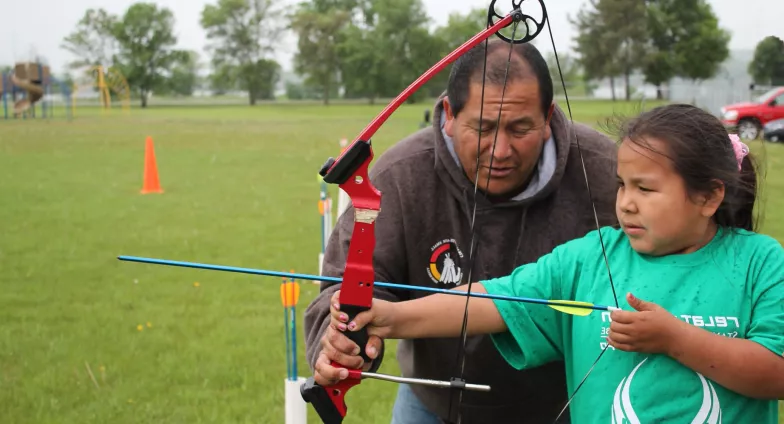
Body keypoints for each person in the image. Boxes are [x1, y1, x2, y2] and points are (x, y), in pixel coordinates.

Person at [327, 104, 784, 423]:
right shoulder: (592, 255)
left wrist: (673, 338)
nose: (625, 203)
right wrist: (390, 315)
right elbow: (494, 301)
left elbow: (775, 373)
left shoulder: (759, 261)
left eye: (645, 190)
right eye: (622, 186)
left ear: (708, 196)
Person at [304, 40, 619, 423]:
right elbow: (346, 287)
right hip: (434, 401)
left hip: (568, 401)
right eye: (483, 128)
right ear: (450, 115)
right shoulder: (401, 175)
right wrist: (338, 343)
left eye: (521, 128)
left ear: (548, 116)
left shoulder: (609, 173)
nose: (500, 151)